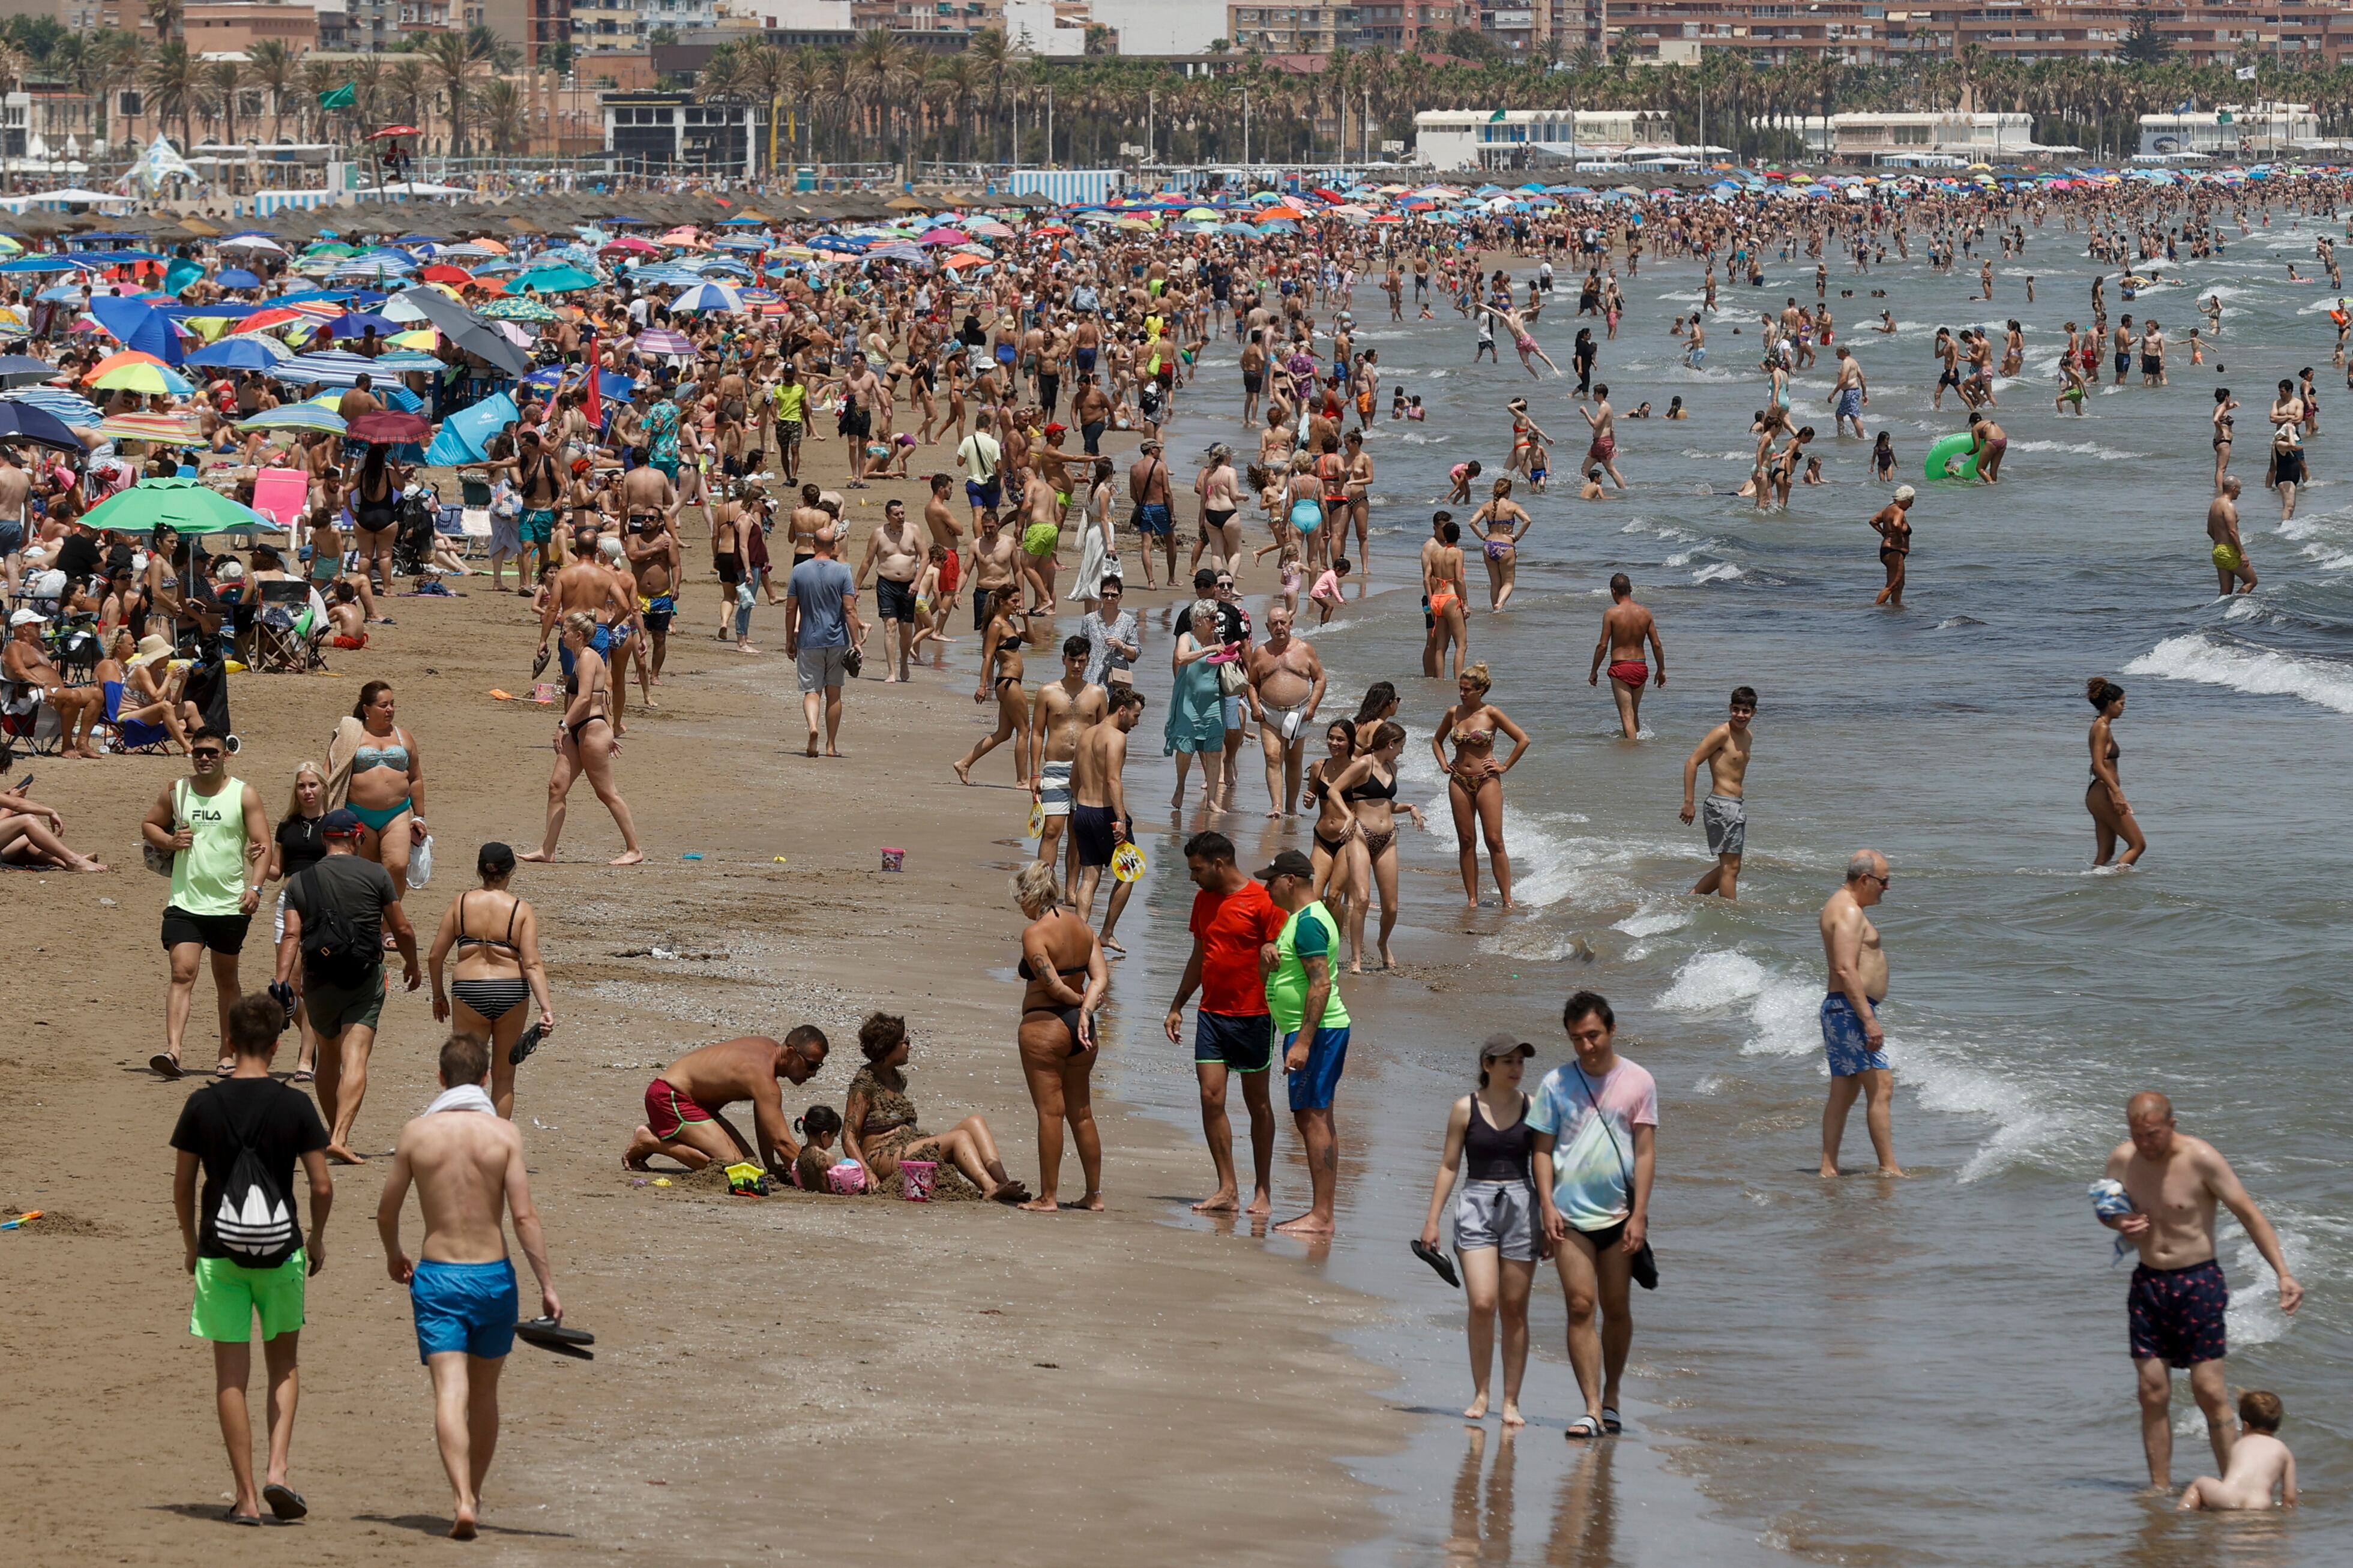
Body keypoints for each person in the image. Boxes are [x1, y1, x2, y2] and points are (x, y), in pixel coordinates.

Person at [375, 1032, 561, 1540]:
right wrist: (547, 1284)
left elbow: (386, 1211)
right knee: (484, 1393)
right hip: (492, 1277)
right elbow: (523, 1215)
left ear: (440, 1078)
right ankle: (474, 1494)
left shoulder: (416, 1134)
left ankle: (459, 1498)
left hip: (437, 1277)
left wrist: (394, 1254)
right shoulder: (504, 1135)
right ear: (485, 1078)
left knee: (448, 1392)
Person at [170, 994, 333, 1527]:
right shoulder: (294, 1106)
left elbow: (183, 1185)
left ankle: (244, 1498)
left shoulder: (202, 1104)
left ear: (230, 1042)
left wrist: (193, 1245)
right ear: (279, 1044)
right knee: (283, 1362)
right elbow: (322, 1183)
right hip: (281, 1248)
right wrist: (318, 1237)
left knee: (231, 1374)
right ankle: (278, 1471)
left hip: (221, 1251)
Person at [2100, 1092, 2302, 1494]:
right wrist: (2121, 1223)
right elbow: (2105, 1207)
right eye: (2137, 1134)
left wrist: (2283, 1272)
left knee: (2209, 1391)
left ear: (2172, 1125)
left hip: (2198, 1283)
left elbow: (2249, 1213)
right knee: (2151, 1391)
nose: (2145, 1143)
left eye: (2153, 1134)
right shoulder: (2123, 1158)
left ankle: (2235, 1486)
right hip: (2148, 1282)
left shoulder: (2201, 1158)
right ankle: (2159, 1488)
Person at [1530, 992, 1656, 1441]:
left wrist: (1640, 1213)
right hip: (1568, 1215)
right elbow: (1542, 1151)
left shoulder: (1639, 1081)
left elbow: (1645, 1151)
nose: (1586, 1046)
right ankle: (1589, 1407)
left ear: (1612, 1029)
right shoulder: (1555, 1084)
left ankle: (1613, 1396)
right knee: (1580, 1305)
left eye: (1593, 1035)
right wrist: (1546, 1205)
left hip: (1620, 1214)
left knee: (1617, 1307)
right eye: (1576, 1038)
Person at [278, 808, 419, 1165]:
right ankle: (340, 1135)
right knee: (355, 1056)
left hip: (318, 978)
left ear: (325, 839)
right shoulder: (376, 874)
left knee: (327, 1057)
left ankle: (333, 1131)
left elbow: (292, 934)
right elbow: (401, 928)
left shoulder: (300, 882)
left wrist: (282, 981)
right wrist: (413, 966)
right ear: (357, 838)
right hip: (363, 976)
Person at [1162, 831, 1289, 1216]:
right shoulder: (1203, 901)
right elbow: (1200, 955)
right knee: (1210, 1097)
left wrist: (1273, 955)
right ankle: (1227, 1188)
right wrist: (1178, 1004)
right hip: (1211, 1015)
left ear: (1219, 864)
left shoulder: (1265, 902)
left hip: (1254, 1016)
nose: (1192, 878)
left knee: (1258, 1104)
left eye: (1197, 869)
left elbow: (1285, 957)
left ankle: (1263, 1191)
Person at [1419, 1033, 1542, 1427]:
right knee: (1483, 1302)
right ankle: (1482, 1393)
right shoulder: (1464, 1108)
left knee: (1514, 1309)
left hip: (1523, 1206)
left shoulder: (1534, 1107)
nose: (1516, 1069)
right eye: (1508, 1061)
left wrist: (1555, 1216)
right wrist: (1432, 1219)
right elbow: (1450, 1165)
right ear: (1487, 1065)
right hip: (1476, 1205)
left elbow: (1545, 1164)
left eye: (1520, 1062)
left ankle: (1511, 1400)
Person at [144, 728, 270, 1078]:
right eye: (198, 752)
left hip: (231, 904)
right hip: (185, 901)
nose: (204, 758)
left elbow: (263, 845)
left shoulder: (243, 794)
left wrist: (255, 888)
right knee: (182, 971)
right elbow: (149, 824)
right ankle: (173, 1050)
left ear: (225, 755)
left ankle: (227, 1052)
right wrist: (169, 840)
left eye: (211, 753)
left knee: (226, 978)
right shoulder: (177, 791)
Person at [842, 1013, 1030, 1202]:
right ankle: (989, 1187)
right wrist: (867, 1173)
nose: (911, 1046)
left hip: (906, 1146)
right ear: (888, 1046)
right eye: (906, 1041)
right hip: (880, 1156)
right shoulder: (866, 1082)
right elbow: (848, 1135)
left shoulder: (897, 1079)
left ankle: (1003, 1182)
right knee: (959, 1138)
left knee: (975, 1122)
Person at [426, 843, 554, 1119]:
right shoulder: (520, 910)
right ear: (512, 872)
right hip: (510, 990)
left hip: (469, 990)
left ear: (479, 870)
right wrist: (546, 1009)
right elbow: (532, 963)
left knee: (465, 1073)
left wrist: (439, 997)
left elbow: (435, 957)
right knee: (504, 1076)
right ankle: (495, 1144)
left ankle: (465, 1141)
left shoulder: (460, 903)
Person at [1259, 849, 1349, 1237]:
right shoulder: (1300, 920)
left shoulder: (1309, 921)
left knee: (1312, 1118)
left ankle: (1322, 1215)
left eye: (1271, 879)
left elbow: (1322, 983)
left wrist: (1304, 1043)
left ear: (1290, 880)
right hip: (1312, 1030)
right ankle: (1321, 1212)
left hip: (1317, 1031)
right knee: (1316, 1117)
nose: (1266, 886)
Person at [1011, 861, 1110, 1212]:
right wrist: (1086, 1010)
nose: (1019, 905)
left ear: (1031, 894)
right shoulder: (1083, 928)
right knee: (1082, 1113)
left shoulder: (1034, 934)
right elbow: (1100, 978)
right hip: (1083, 1032)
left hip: (1045, 1027)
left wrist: (1077, 1004)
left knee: (1050, 1114)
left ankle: (1048, 1197)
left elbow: (1052, 985)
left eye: (1020, 896)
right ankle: (1094, 1196)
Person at [522, 611, 643, 866]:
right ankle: (548, 850)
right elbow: (605, 692)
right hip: (580, 732)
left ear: (578, 635)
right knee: (557, 787)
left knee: (606, 793)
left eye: (564, 631)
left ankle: (634, 849)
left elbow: (587, 698)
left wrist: (563, 726)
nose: (561, 635)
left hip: (590, 730)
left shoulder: (588, 657)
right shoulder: (579, 658)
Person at [624, 1029, 831, 1174]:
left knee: (752, 1167)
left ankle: (658, 1138)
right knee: (736, 1168)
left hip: (697, 1105)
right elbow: (782, 1143)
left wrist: (771, 1165)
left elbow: (766, 1122)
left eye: (819, 1068)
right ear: (791, 1053)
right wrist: (816, 1173)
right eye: (811, 1066)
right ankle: (651, 1141)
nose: (813, 1074)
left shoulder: (767, 1050)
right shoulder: (762, 1077)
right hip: (670, 1098)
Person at [1819, 849, 1901, 1179]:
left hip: (1843, 1008)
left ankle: (1828, 1167)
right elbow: (1844, 968)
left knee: (1845, 1090)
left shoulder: (1842, 905)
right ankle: (1889, 1168)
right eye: (1884, 881)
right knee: (1882, 1086)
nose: (1887, 888)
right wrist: (1868, 1019)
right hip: (1850, 1010)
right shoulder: (1850, 912)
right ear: (1865, 879)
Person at [1432, 664, 1530, 911]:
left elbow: (1523, 739)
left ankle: (1507, 900)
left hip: (1487, 781)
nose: (1462, 694)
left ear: (1481, 690)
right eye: (1461, 689)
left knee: (1494, 840)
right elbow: (1437, 740)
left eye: (1467, 690)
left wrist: (1504, 766)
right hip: (1459, 782)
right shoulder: (1454, 713)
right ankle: (1472, 900)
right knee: (1466, 840)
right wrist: (1444, 764)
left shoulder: (1492, 713)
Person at [327, 680, 427, 904]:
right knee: (367, 871)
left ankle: (388, 927)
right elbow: (330, 774)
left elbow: (415, 778)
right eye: (384, 705)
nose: (390, 710)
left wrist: (420, 816)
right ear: (366, 709)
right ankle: (370, 920)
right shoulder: (351, 736)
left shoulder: (404, 737)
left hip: (397, 814)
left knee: (398, 866)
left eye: (392, 704)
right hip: (359, 814)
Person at [1028, 635, 1106, 887]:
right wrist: (1034, 774)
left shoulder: (1097, 694)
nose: (1076, 666)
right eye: (1072, 660)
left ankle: (1071, 890)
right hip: (1055, 769)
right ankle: (1043, 886)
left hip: (1087, 772)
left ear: (1087, 661)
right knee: (1052, 829)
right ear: (1063, 659)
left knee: (1078, 833)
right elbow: (1037, 732)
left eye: (1081, 661)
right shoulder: (1047, 692)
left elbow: (1105, 734)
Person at [1070, 684, 1143, 951]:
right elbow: (1113, 779)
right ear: (1121, 711)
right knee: (1129, 873)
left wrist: (1082, 807)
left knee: (1090, 876)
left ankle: (1079, 932)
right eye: (1135, 716)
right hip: (1107, 815)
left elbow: (1074, 779)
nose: (1136, 723)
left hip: (1083, 811)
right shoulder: (1116, 737)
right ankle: (1106, 933)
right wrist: (1121, 820)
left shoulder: (1086, 735)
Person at [785, 524, 865, 759]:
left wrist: (790, 639)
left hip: (809, 639)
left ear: (813, 545)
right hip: (837, 640)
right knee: (834, 693)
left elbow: (791, 609)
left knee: (812, 691)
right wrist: (856, 641)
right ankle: (830, 746)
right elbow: (850, 610)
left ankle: (812, 727)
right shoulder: (843, 572)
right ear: (834, 546)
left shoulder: (799, 571)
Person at [1244, 604, 1327, 819]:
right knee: (1272, 757)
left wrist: (1312, 707)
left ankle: (1291, 807)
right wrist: (1254, 706)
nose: (1279, 627)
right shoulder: (1261, 653)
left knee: (1293, 760)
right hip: (1269, 713)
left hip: (1298, 713)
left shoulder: (1305, 649)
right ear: (1268, 627)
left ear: (1291, 624)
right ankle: (1276, 806)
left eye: (1283, 622)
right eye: (1275, 623)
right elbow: (1252, 683)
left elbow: (1320, 679)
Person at [1680, 688, 1757, 899]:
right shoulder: (1722, 733)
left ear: (1754, 712)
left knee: (1730, 866)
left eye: (1746, 711)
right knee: (1730, 868)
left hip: (1735, 805)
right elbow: (1692, 762)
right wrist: (1689, 802)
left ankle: (1691, 898)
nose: (1740, 715)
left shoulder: (1748, 736)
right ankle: (1731, 914)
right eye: (1736, 710)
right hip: (1722, 806)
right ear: (1730, 709)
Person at [1163, 599, 1231, 812]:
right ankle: (1181, 786)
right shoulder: (1187, 638)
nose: (1216, 622)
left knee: (1214, 750)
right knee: (1186, 749)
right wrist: (1209, 649)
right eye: (1212, 618)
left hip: (1213, 702)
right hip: (1188, 702)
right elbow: (1181, 658)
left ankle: (1212, 800)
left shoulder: (1217, 637)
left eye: (1217, 618)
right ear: (1200, 620)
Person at [2178, 1392, 2297, 1511]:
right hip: (2259, 1504)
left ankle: (2182, 1512)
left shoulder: (2240, 1444)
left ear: (2246, 1426)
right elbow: (2289, 1497)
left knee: (2200, 1483)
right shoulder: (2284, 1452)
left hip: (2226, 1498)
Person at [2082, 676, 2148, 870]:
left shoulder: (2101, 726)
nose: (2124, 708)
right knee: (2138, 845)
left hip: (2098, 794)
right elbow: (2098, 766)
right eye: (2122, 703)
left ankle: (2095, 888)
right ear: (2110, 703)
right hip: (2104, 794)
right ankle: (2117, 887)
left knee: (2105, 855)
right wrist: (2117, 794)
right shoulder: (2101, 727)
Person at [1588, 574, 1665, 740]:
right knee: (1633, 712)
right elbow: (1657, 644)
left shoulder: (1611, 614)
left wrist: (1594, 671)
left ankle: (1631, 753)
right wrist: (1661, 670)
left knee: (1626, 715)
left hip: (1621, 668)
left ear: (1613, 591)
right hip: (1641, 667)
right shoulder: (1646, 613)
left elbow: (1602, 646)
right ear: (1631, 589)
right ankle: (1637, 748)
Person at [2207, 476, 2255, 596]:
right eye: (2239, 490)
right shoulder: (2228, 506)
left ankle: (2219, 612)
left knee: (2225, 591)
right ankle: (2233, 608)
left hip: (2218, 551)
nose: (2240, 493)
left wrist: (2221, 543)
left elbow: (2209, 530)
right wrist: (2242, 554)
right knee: (2251, 581)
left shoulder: (2215, 504)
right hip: (2228, 550)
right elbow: (2232, 531)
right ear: (2234, 489)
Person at [1870, 487, 1915, 607]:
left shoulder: (1888, 509)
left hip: (1888, 550)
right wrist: (1899, 539)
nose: (1911, 506)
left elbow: (1873, 521)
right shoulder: (1899, 511)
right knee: (1892, 585)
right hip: (1894, 550)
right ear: (1904, 500)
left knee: (1899, 584)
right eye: (1911, 501)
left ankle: (1896, 609)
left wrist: (1883, 533)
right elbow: (1896, 524)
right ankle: (1875, 609)